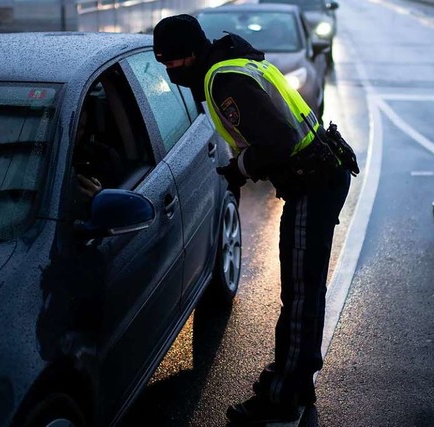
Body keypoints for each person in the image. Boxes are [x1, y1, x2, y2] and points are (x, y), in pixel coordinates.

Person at [152, 14, 353, 424]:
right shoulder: (236, 63)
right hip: (322, 174)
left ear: (189, 55)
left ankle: (283, 399)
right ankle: (296, 378)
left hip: (312, 183)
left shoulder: (226, 82)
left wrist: (242, 168)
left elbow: (277, 141)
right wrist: (242, 167)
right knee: (305, 291)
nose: (170, 74)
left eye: (170, 64)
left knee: (299, 296)